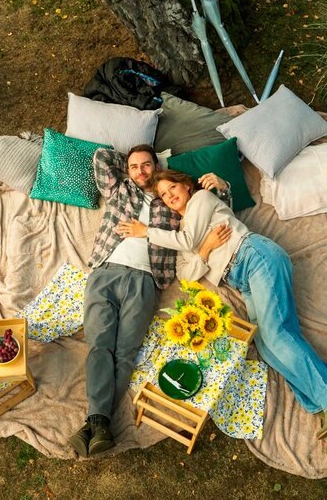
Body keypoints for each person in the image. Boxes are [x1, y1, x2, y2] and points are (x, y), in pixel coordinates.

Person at [118, 169, 327, 455]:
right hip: (242, 279)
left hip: (254, 256)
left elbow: (187, 242)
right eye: (163, 195)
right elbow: (187, 275)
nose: (170, 196)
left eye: (172, 188)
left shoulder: (202, 200)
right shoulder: (181, 234)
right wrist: (205, 250)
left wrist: (146, 231)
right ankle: (321, 405)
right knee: (267, 346)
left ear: (185, 185)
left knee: (278, 334)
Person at [68, 145, 232, 458]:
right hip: (105, 272)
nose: (141, 171)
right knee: (100, 344)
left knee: (126, 351)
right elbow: (102, 155)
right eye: (135, 167)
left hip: (145, 280)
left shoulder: (170, 200)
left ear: (157, 168)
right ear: (127, 171)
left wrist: (221, 188)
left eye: (147, 166)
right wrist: (137, 163)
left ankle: (95, 424)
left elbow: (212, 210)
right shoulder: (119, 190)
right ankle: (99, 423)